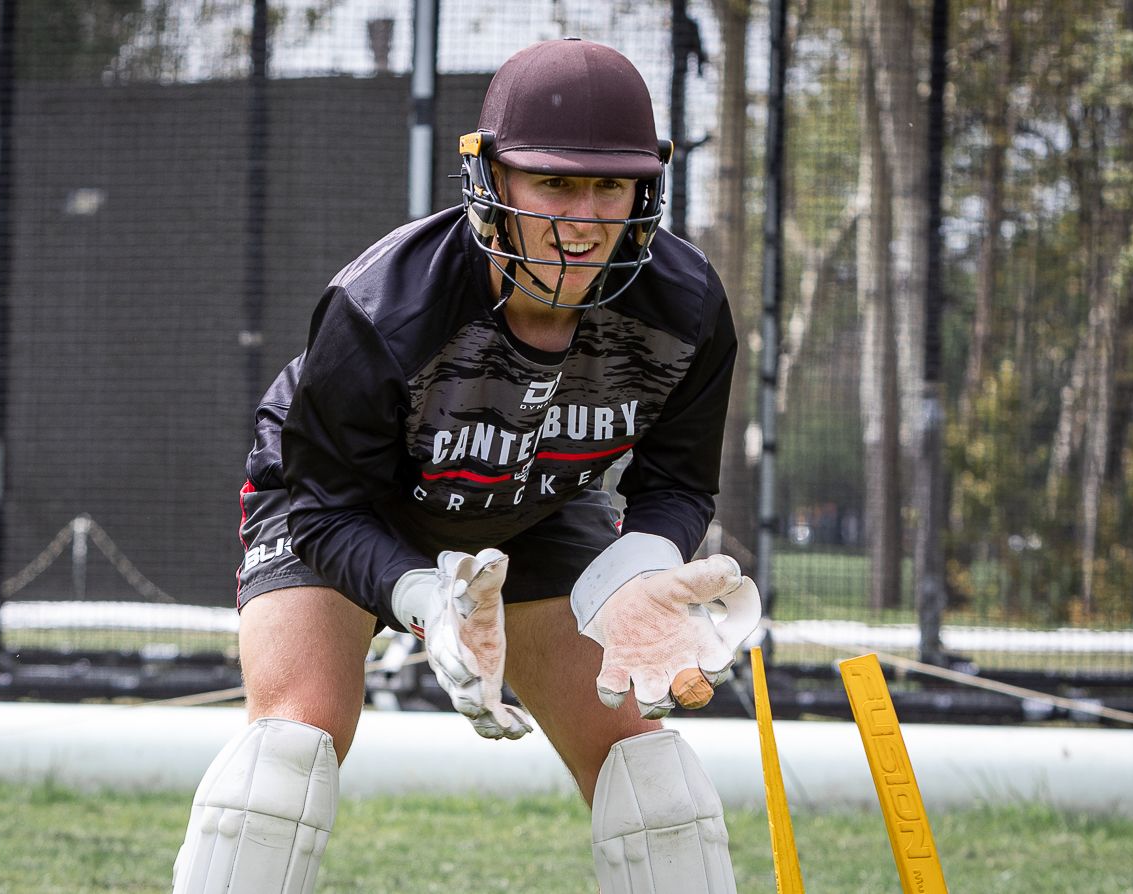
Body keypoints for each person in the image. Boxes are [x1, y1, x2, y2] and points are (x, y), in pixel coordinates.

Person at [172, 38, 759, 894]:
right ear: (490, 180)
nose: (586, 217)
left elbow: (676, 485)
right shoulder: (379, 309)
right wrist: (424, 601)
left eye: (610, 183)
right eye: (553, 181)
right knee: (284, 765)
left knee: (657, 787)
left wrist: (645, 568)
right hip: (346, 509)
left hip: (535, 507)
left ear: (649, 184)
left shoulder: (689, 306)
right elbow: (326, 507)